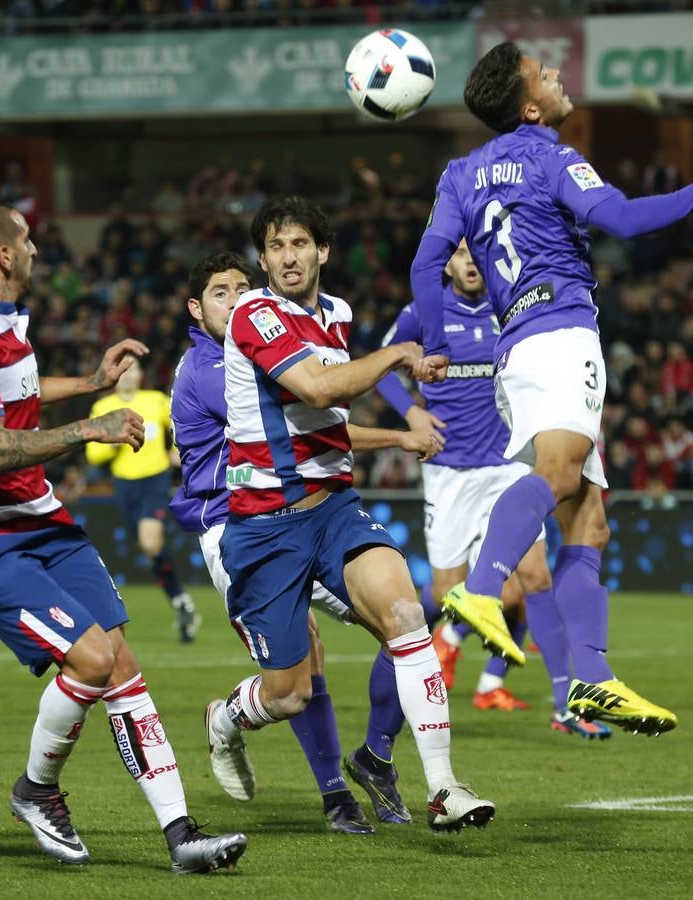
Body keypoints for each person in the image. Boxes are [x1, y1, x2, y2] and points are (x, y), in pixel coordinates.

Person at [409, 42, 693, 734]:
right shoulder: (547, 152)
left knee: (590, 520)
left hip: (519, 345)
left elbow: (426, 263)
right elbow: (624, 219)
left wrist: (440, 344)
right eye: (545, 73)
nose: (560, 75)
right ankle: (482, 592)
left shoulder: (460, 173)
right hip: (560, 333)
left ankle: (592, 682)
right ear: (530, 106)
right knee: (560, 474)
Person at [0, 200, 246, 873]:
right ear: (4, 255)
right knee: (93, 662)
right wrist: (90, 428)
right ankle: (36, 791)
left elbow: (19, 391)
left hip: (39, 515)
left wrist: (91, 384)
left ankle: (181, 835)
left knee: (120, 661)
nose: (39, 250)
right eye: (30, 240)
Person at [205, 196, 495, 832]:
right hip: (264, 527)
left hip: (334, 510)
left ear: (322, 252)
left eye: (300, 244)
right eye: (276, 247)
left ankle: (442, 786)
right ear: (263, 259)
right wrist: (398, 354)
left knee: (406, 614)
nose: (288, 257)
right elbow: (316, 388)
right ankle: (226, 719)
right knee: (289, 692)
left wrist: (395, 435)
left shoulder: (335, 315)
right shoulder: (255, 313)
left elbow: (327, 423)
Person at [170, 250, 441, 830]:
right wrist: (396, 433)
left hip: (309, 516)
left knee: (403, 624)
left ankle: (376, 759)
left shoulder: (270, 339)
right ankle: (244, 732)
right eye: (221, 291)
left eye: (244, 287)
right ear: (196, 309)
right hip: (237, 527)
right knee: (296, 676)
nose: (238, 299)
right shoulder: (210, 368)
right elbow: (315, 413)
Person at [377, 239, 610, 738]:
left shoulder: (514, 306)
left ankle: (568, 706)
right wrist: (413, 412)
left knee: (536, 578)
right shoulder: (424, 311)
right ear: (448, 262)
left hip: (507, 464)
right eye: (459, 253)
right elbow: (380, 369)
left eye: (475, 252)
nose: (469, 262)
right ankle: (436, 658)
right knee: (444, 594)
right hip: (447, 471)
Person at [86, 355, 200, 643]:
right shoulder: (103, 407)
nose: (126, 375)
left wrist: (178, 450)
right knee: (150, 550)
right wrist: (113, 441)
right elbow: (93, 454)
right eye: (122, 370)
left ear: (140, 375)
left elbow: (179, 424)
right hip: (124, 484)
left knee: (150, 541)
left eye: (132, 369)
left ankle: (180, 601)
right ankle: (180, 601)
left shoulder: (155, 400)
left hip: (155, 479)